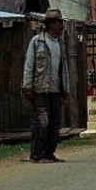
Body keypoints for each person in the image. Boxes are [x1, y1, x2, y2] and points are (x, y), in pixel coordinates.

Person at [22, 8, 71, 163]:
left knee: (55, 123)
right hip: (40, 90)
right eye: (59, 23)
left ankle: (49, 153)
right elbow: (29, 65)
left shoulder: (61, 44)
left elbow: (64, 69)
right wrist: (27, 87)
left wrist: (66, 91)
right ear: (51, 24)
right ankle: (37, 155)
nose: (61, 26)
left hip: (56, 90)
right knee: (41, 123)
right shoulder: (37, 42)